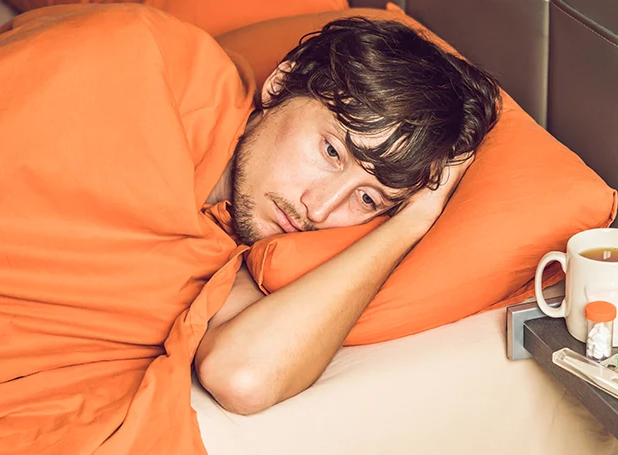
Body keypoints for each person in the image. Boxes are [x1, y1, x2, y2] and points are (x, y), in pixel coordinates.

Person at [195, 17, 501, 415]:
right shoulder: (155, 74)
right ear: (279, 85)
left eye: (368, 199)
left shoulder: (237, 254)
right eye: (332, 152)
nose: (318, 210)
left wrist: (413, 223)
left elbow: (243, 376)